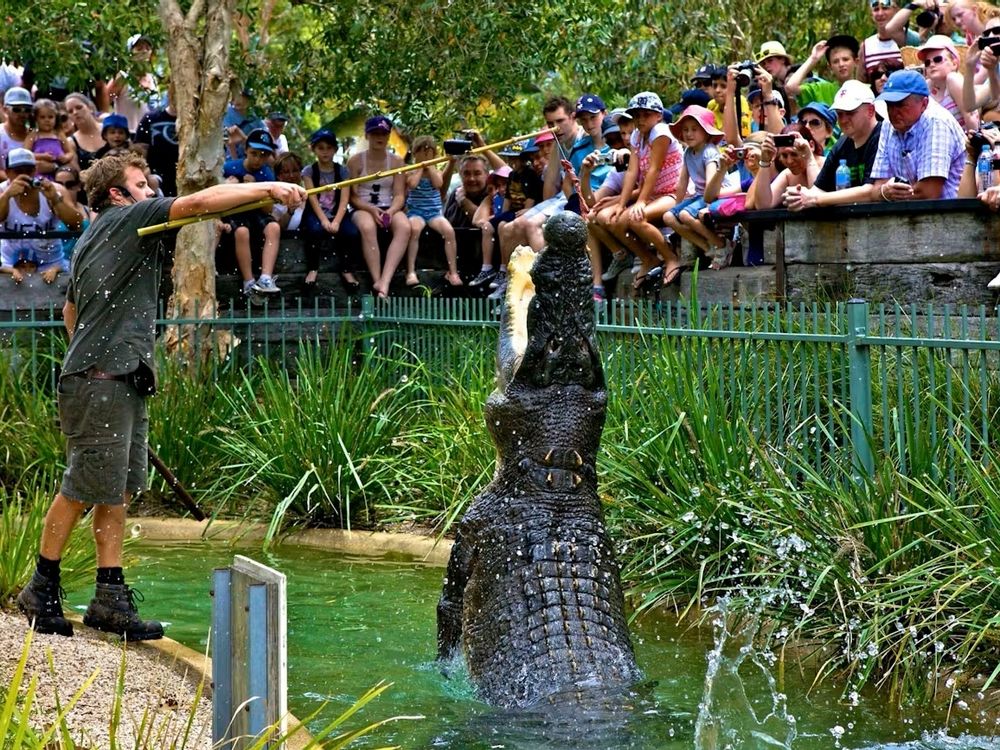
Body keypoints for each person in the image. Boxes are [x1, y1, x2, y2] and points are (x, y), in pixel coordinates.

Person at [16, 150, 305, 640]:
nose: (151, 192)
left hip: (115, 378)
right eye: (143, 184)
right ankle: (40, 587)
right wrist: (269, 190)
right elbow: (201, 203)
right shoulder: (129, 217)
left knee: (116, 488)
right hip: (102, 381)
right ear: (118, 193)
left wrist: (95, 356)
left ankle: (109, 597)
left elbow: (71, 311)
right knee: (82, 485)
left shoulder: (92, 238)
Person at [783, 80, 883, 209]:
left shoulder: (884, 137)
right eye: (840, 114)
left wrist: (814, 198)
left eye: (850, 113)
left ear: (870, 110)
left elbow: (872, 191)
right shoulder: (842, 144)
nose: (844, 120)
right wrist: (797, 197)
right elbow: (819, 189)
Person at [869, 69, 966, 200]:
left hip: (954, 214)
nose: (893, 112)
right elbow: (877, 187)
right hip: (911, 214)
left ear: (924, 104)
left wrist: (888, 194)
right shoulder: (888, 124)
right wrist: (884, 192)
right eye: (889, 105)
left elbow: (929, 192)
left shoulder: (937, 122)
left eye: (900, 105)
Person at [346, 114, 409, 299]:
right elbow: (353, 196)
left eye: (383, 133)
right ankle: (377, 279)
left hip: (389, 206)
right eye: (374, 134)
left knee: (404, 227)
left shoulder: (397, 162)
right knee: (367, 226)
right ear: (367, 136)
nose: (379, 138)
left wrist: (390, 211)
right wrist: (371, 210)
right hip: (363, 208)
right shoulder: (355, 161)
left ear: (389, 136)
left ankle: (385, 280)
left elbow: (399, 195)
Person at [0, 149, 83, 284]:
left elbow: (77, 224)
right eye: (18, 171)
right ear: (8, 172)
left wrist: (55, 200)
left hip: (52, 268)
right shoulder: (2, 191)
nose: (24, 175)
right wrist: (7, 195)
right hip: (11, 269)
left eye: (28, 170)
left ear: (35, 170)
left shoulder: (54, 189)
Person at [662, 104, 727, 271]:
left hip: (715, 194)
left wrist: (705, 204)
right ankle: (707, 247)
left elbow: (712, 183)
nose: (689, 134)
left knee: (684, 214)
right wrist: (677, 204)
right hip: (699, 195)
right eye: (685, 130)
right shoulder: (688, 153)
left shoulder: (710, 152)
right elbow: (682, 181)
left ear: (706, 132)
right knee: (669, 217)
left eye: (694, 129)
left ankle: (720, 244)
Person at [222, 128, 283, 295]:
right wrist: (231, 187)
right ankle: (248, 281)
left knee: (274, 228)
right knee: (241, 232)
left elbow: (268, 209)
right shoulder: (229, 167)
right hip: (235, 212)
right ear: (246, 150)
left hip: (257, 212)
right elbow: (218, 196)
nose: (257, 159)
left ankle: (266, 277)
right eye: (254, 153)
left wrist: (255, 189)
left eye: (263, 155)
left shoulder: (267, 174)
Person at [301, 128, 359, 292]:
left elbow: (344, 199)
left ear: (335, 149)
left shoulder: (342, 171)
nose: (325, 152)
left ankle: (347, 270)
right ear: (314, 149)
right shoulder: (309, 171)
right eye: (320, 148)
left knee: (351, 233)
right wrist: (325, 220)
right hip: (316, 212)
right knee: (314, 231)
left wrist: (337, 221)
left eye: (328, 148)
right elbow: (312, 199)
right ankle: (313, 268)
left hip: (337, 212)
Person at [404, 136, 461, 288]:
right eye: (423, 152)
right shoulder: (409, 170)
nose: (426, 156)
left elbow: (439, 184)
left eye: (430, 153)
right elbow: (412, 184)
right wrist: (419, 169)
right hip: (416, 211)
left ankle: (453, 271)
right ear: (416, 154)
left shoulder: (434, 170)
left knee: (449, 231)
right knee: (413, 229)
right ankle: (410, 271)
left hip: (434, 212)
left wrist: (429, 168)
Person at [751, 124, 824, 209]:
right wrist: (764, 161)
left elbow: (816, 197)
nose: (789, 161)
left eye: (794, 154)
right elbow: (763, 205)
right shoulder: (788, 175)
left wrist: (809, 158)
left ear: (811, 146)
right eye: (784, 155)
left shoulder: (827, 165)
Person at [918, 35, 978, 128]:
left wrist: (972, 140)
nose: (932, 64)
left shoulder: (953, 79)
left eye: (937, 59)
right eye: (927, 62)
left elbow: (971, 116)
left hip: (964, 139)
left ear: (954, 63)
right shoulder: (927, 86)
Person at [784, 35, 861, 108]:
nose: (841, 64)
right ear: (830, 66)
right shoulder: (821, 89)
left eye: (845, 59)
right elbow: (790, 87)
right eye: (835, 61)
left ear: (856, 62)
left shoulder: (867, 89)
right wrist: (813, 58)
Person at [133, 82, 179, 197]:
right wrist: (144, 176)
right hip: (158, 180)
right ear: (169, 95)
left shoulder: (197, 122)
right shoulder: (151, 118)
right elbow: (139, 152)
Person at [108, 34, 160, 134]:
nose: (144, 51)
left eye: (147, 48)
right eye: (139, 48)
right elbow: (106, 99)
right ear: (130, 53)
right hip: (130, 135)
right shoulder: (122, 77)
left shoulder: (152, 78)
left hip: (151, 135)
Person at [24, 99, 75, 177]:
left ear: (56, 118)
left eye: (50, 117)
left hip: (59, 172)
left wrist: (65, 157)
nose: (47, 120)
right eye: (42, 117)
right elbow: (26, 154)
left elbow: (70, 152)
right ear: (36, 119)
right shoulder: (33, 135)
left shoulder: (59, 134)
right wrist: (42, 156)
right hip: (39, 172)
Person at [53, 166, 93, 262]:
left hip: (83, 262)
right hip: (57, 267)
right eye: (59, 184)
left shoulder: (89, 211)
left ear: (78, 186)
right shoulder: (48, 212)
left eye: (70, 184)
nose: (64, 189)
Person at [64, 93, 106, 174]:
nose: (75, 112)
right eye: (70, 111)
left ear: (90, 108)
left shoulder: (108, 128)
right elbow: (77, 174)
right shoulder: (71, 142)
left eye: (79, 107)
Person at [0, 86, 33, 179]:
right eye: (17, 109)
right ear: (5, 109)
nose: (22, 114)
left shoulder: (34, 134)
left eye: (27, 110)